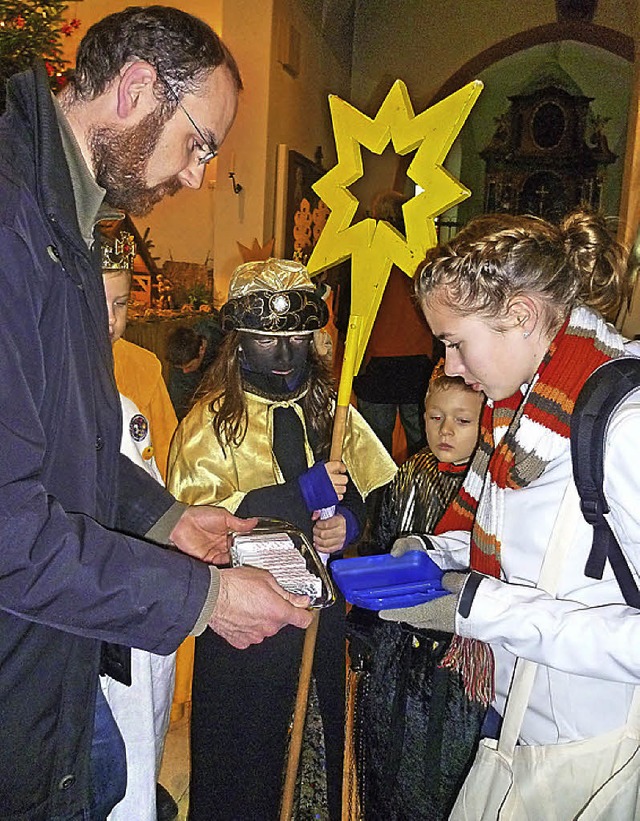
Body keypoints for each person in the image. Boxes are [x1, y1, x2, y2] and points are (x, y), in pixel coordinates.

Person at [0, 9, 313, 819]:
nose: (201, 175)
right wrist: (201, 599)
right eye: (200, 142)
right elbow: (6, 526)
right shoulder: (10, 219)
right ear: (138, 88)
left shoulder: (59, 214)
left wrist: (166, 517)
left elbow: (68, 440)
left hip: (46, 653)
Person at [380, 209, 640, 817]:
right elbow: (524, 544)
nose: (448, 367)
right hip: (519, 717)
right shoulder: (518, 408)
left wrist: (477, 607)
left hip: (595, 750)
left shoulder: (623, 426)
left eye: (454, 342)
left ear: (520, 316)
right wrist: (431, 554)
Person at [168, 258, 397, 821]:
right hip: (247, 629)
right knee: (247, 761)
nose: (287, 354)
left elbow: (376, 491)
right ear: (239, 343)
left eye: (298, 338)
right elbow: (198, 525)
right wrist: (295, 495)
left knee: (322, 743)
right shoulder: (210, 423)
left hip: (323, 618)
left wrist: (351, 520)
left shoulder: (332, 411)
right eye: (270, 341)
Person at [347, 371, 486, 820]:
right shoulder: (408, 473)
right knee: (388, 746)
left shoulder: (490, 485)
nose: (445, 430)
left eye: (462, 421)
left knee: (442, 764)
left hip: (457, 654)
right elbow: (382, 541)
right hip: (397, 646)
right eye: (435, 416)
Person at [100, 228, 179, 821]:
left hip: (145, 576)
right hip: (93, 590)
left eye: (123, 303)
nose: (110, 319)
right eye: (97, 300)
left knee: (141, 726)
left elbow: (161, 465)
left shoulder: (140, 368)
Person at [353, 190, 435, 459]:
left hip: (375, 360)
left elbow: (350, 308)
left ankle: (379, 501)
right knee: (423, 444)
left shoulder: (366, 250)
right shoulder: (421, 251)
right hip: (417, 359)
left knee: (375, 451)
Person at [166, 315, 224, 420]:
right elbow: (177, 401)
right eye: (181, 368)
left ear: (202, 349)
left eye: (189, 366)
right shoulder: (182, 357)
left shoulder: (222, 341)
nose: (185, 371)